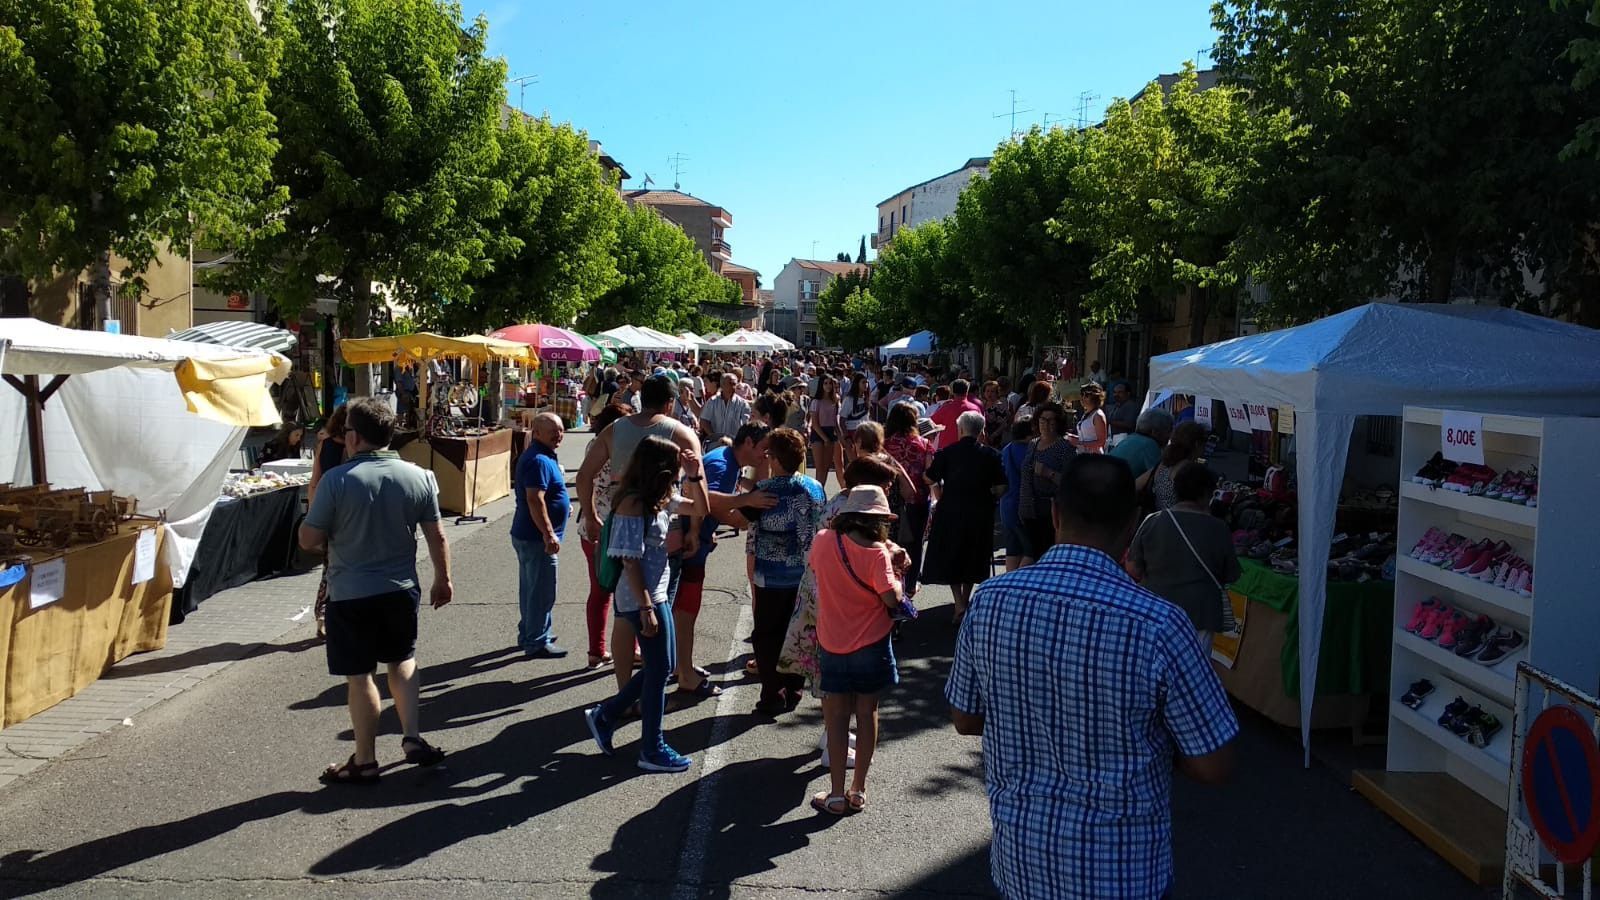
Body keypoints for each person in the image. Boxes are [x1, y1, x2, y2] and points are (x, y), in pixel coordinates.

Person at [945, 455, 1238, 899]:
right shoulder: (1157, 623)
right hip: (1123, 867)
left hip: (1021, 859)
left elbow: (966, 718)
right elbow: (1212, 764)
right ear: (1134, 523)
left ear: (1057, 514)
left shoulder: (990, 602)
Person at [298, 397, 453, 785]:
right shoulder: (417, 476)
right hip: (400, 588)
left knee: (360, 675)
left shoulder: (338, 480)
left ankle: (365, 759)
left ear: (353, 436)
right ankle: (412, 737)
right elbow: (436, 534)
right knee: (403, 662)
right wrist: (443, 578)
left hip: (351, 592)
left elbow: (308, 539)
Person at [584, 436, 709, 773]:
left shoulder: (661, 499)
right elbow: (628, 560)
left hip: (656, 593)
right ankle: (651, 748)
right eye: (674, 470)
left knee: (661, 666)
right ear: (660, 469)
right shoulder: (632, 504)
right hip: (641, 597)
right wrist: (645, 607)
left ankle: (606, 715)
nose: (676, 476)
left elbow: (701, 509)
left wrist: (696, 475)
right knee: (658, 671)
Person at [578, 376, 702, 685]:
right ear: (670, 403)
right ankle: (653, 677)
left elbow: (584, 476)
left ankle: (625, 688)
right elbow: (698, 485)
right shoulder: (682, 433)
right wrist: (695, 531)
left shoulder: (614, 429)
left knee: (624, 610)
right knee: (660, 601)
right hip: (664, 520)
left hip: (619, 521)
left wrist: (592, 515)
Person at [808, 485, 907, 816]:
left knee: (836, 719)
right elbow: (891, 599)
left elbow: (817, 570)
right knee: (868, 713)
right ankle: (858, 789)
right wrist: (898, 573)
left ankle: (836, 794)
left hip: (832, 640)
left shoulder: (823, 541)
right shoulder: (879, 555)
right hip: (872, 644)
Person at [672, 422, 778, 700]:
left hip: (694, 542)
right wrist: (746, 500)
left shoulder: (729, 461)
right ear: (748, 444)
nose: (766, 454)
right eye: (763, 448)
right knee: (686, 611)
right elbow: (704, 498)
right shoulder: (722, 464)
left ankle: (679, 664)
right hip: (688, 546)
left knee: (682, 610)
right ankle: (685, 675)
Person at [745, 428, 827, 715]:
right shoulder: (814, 488)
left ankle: (772, 693)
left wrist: (750, 564)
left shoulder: (764, 490)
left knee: (767, 635)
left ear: (776, 459)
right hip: (806, 573)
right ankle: (793, 687)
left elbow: (752, 531)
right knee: (799, 631)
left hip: (771, 575)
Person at [1127, 462, 1241, 641]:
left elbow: (1133, 568)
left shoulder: (1152, 521)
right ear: (1206, 494)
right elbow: (1232, 575)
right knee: (1194, 667)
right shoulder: (1218, 528)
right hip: (1200, 616)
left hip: (1155, 611)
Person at [920, 411, 1007, 623]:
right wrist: (990, 494)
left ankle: (959, 602)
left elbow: (928, 477)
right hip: (980, 510)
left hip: (951, 509)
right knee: (973, 554)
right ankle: (964, 601)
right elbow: (1001, 487)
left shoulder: (948, 452)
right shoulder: (992, 455)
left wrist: (935, 485)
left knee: (954, 553)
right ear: (981, 431)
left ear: (960, 430)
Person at [511, 412, 569, 659]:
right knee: (541, 591)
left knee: (532, 588)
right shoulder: (538, 460)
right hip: (536, 538)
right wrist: (548, 534)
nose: (559, 435)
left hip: (530, 535)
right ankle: (536, 639)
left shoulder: (543, 456)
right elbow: (535, 499)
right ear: (537, 433)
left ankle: (532, 631)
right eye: (553, 431)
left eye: (561, 429)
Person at [578, 403, 630, 669]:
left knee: (600, 591)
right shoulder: (614, 448)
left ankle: (597, 651)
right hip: (610, 525)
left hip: (592, 524)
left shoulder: (594, 445)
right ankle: (627, 649)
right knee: (624, 589)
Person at [883, 404, 937, 596]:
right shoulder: (924, 444)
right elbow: (929, 474)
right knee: (915, 544)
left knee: (887, 542)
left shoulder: (884, 443)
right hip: (918, 499)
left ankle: (888, 581)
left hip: (888, 500)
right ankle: (911, 584)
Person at [307, 405, 349, 639]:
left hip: (328, 513)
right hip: (348, 515)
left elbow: (315, 481)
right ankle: (332, 615)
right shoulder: (358, 446)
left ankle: (322, 616)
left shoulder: (325, 445)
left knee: (329, 567)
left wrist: (313, 515)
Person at [1017, 402, 1074, 562]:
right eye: (1043, 420)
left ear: (1058, 423)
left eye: (1051, 421)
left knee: (1039, 556)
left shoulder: (1064, 448)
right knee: (1030, 553)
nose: (1046, 424)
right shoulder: (1033, 444)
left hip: (1050, 513)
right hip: (1028, 510)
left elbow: (1071, 483)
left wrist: (1049, 473)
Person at [1141, 421, 1208, 513]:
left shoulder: (1162, 465)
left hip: (1160, 517)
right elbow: (1199, 505)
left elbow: (1136, 484)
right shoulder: (1189, 469)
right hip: (1180, 520)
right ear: (1197, 444)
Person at [998, 417, 1036, 571]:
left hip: (1006, 504)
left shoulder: (1007, 448)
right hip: (1022, 504)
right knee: (1032, 549)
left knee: (1013, 548)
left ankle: (1009, 581)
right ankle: (1019, 578)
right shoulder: (1027, 450)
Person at [1110, 407, 1174, 479]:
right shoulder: (1150, 445)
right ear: (1154, 432)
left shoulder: (1131, 438)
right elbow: (1160, 478)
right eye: (1168, 431)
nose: (1170, 436)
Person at [808, 374, 844, 493]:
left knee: (826, 467)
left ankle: (821, 492)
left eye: (830, 383)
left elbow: (836, 422)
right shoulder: (816, 401)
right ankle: (816, 494)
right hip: (819, 433)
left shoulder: (836, 400)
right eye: (825, 383)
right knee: (819, 467)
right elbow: (815, 423)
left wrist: (841, 438)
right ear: (821, 385)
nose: (828, 386)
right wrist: (825, 439)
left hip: (831, 432)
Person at [929, 379, 984, 451]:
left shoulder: (946, 408)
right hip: (968, 451)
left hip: (946, 450)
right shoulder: (975, 409)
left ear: (952, 392)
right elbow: (981, 434)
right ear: (967, 391)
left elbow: (930, 423)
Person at [700, 372, 752, 444]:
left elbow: (746, 425)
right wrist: (713, 436)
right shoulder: (712, 401)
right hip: (715, 443)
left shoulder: (742, 404)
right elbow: (704, 420)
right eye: (730, 384)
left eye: (735, 384)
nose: (733, 387)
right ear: (722, 385)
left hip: (733, 444)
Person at [839, 372, 873, 463]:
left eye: (866, 382)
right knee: (854, 463)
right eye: (863, 382)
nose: (865, 385)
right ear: (857, 383)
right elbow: (842, 420)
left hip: (864, 432)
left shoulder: (867, 398)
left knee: (864, 461)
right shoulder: (849, 399)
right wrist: (846, 437)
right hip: (851, 432)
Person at [980, 380, 1010, 447]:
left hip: (994, 439)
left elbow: (1003, 425)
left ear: (997, 393)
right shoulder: (982, 404)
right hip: (983, 438)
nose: (989, 394)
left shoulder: (1000, 406)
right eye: (987, 391)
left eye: (992, 391)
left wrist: (993, 436)